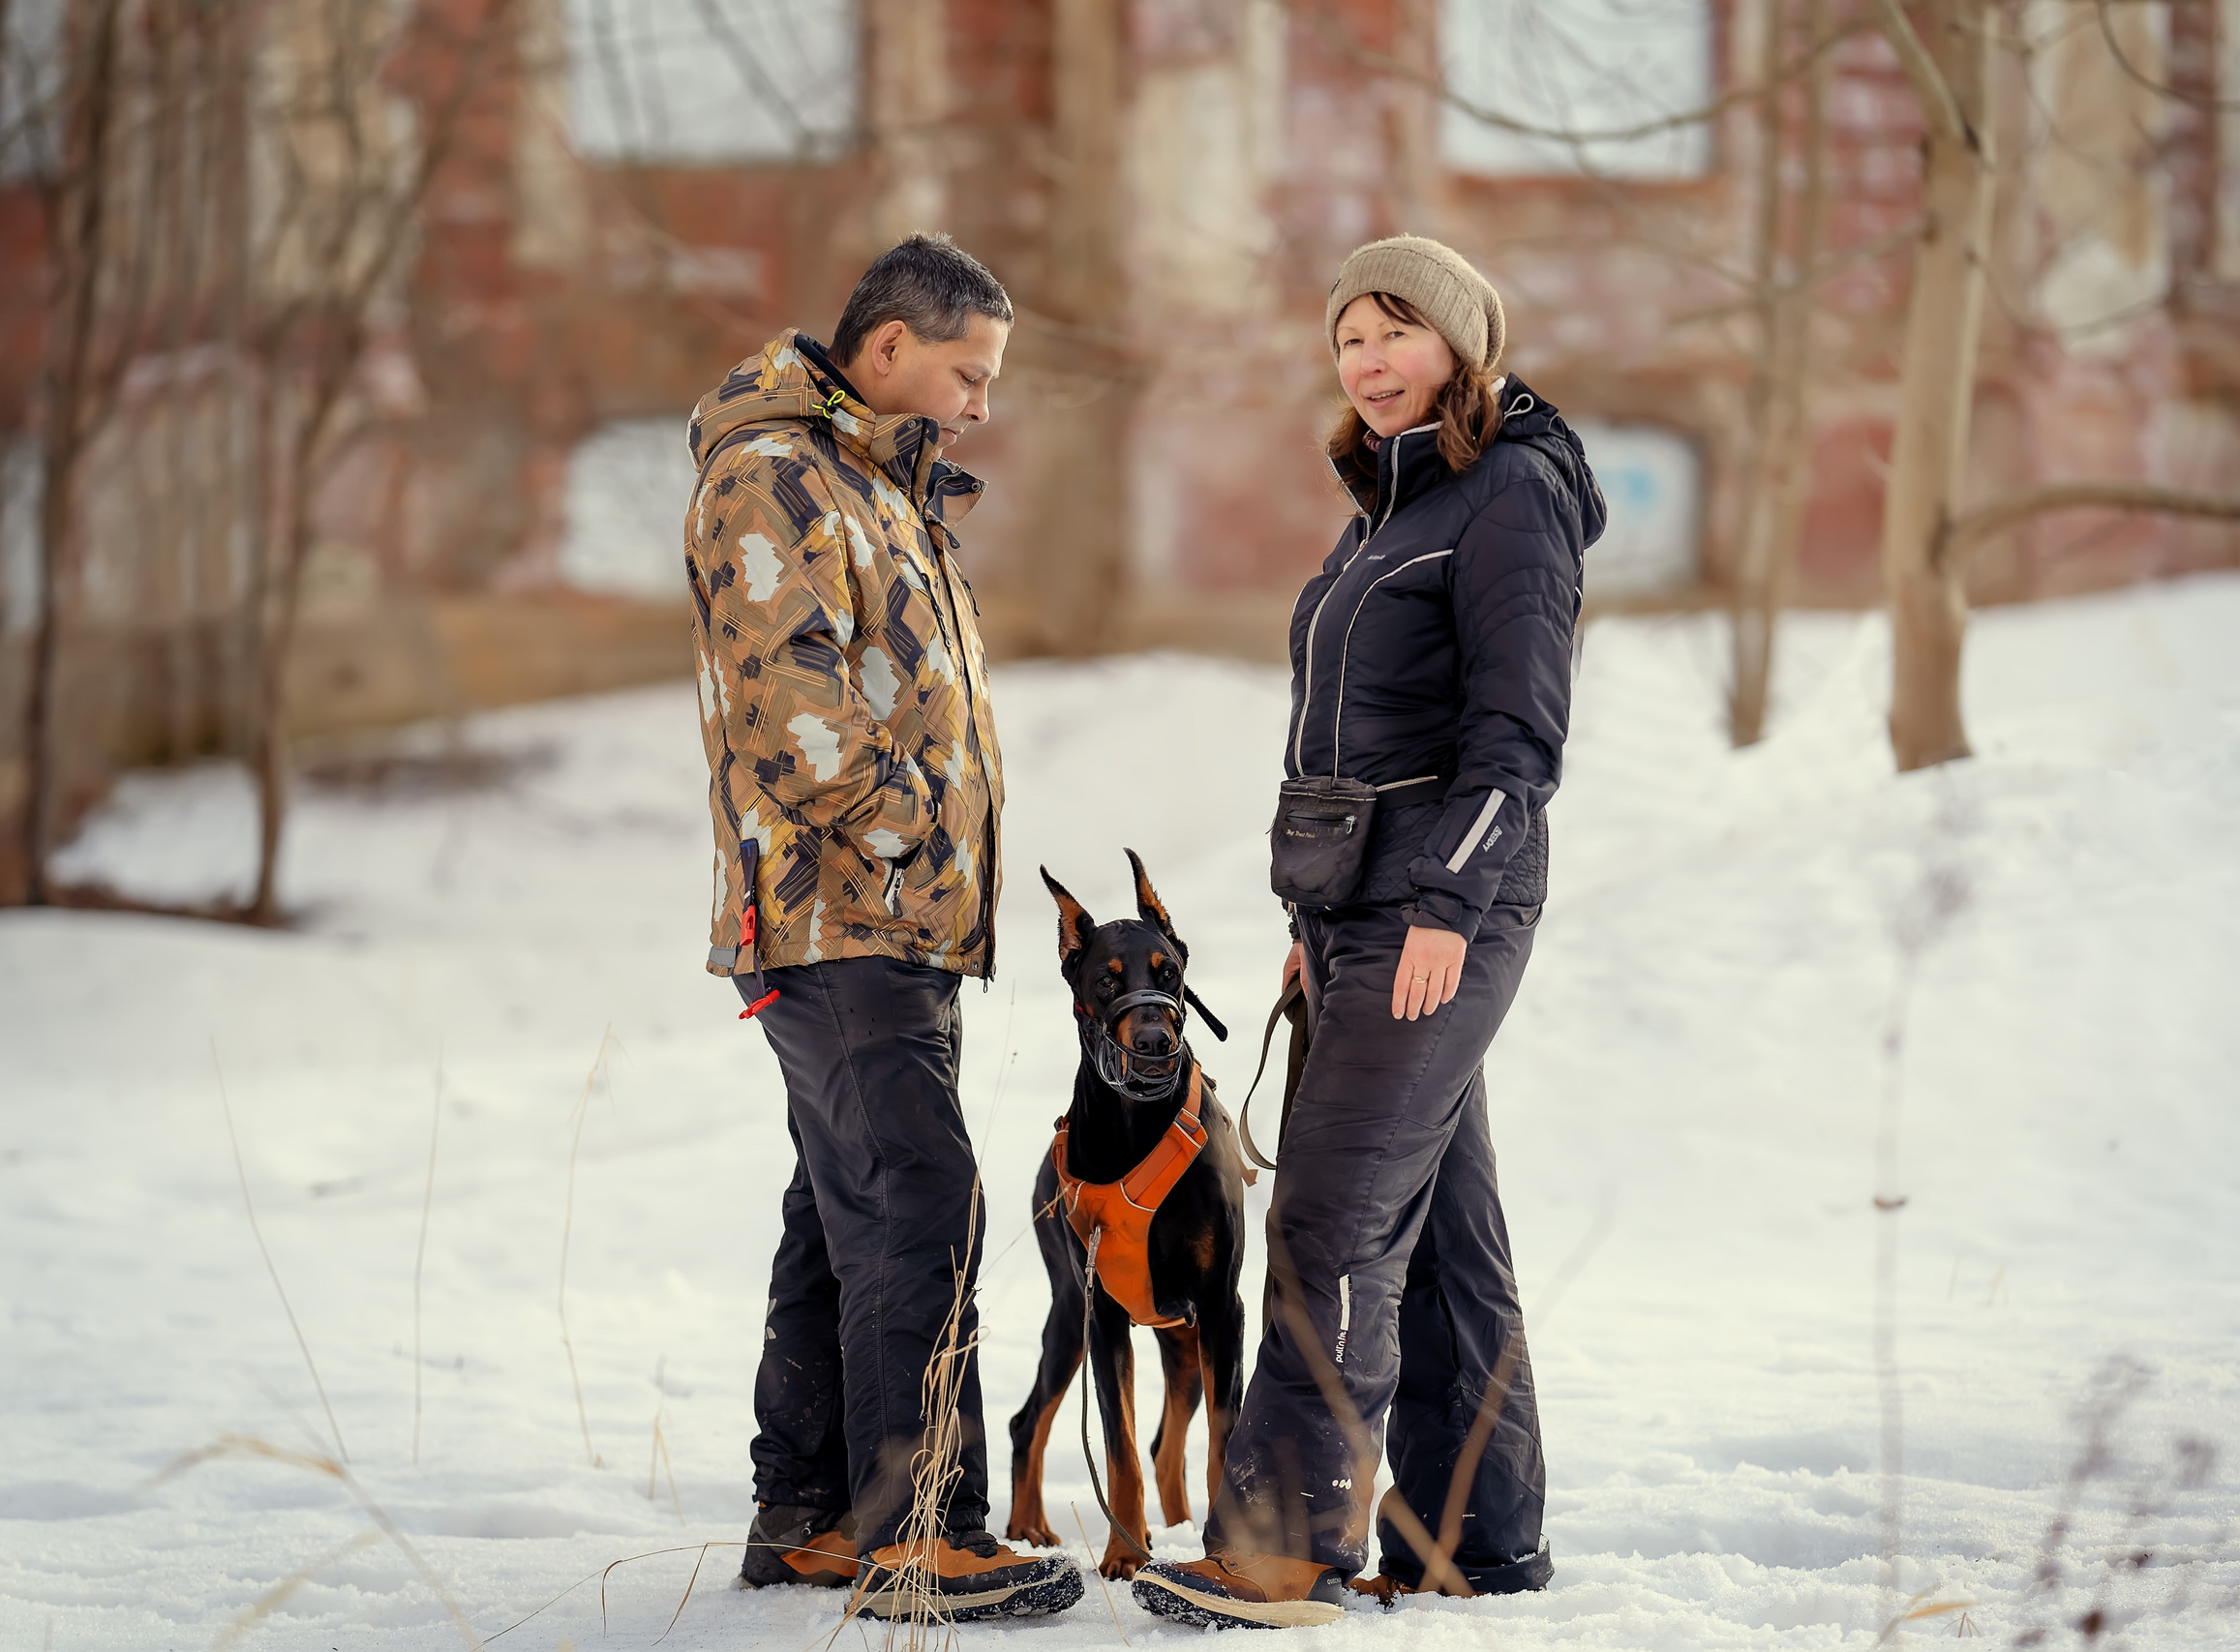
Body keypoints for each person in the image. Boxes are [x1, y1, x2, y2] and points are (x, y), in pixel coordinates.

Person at [1133, 235, 1606, 1630]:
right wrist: (1310, 920)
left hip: (1442, 910)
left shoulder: (1510, 494)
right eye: (1348, 339)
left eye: (1396, 331)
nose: (1369, 361)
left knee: (1331, 1222)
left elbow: (1515, 741)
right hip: (1355, 915)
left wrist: (1448, 906)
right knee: (1446, 1239)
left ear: (1461, 344)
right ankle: (1472, 1541)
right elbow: (1343, 741)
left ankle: (1286, 1545)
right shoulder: (1391, 509)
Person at [686, 233, 1081, 1622]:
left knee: (841, 1215)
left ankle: (807, 1515)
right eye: (967, 373)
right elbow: (792, 716)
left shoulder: (869, 487)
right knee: (920, 1206)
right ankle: (923, 1530)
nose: (980, 403)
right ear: (892, 348)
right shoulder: (773, 480)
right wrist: (917, 843)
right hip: (835, 912)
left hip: (878, 917)